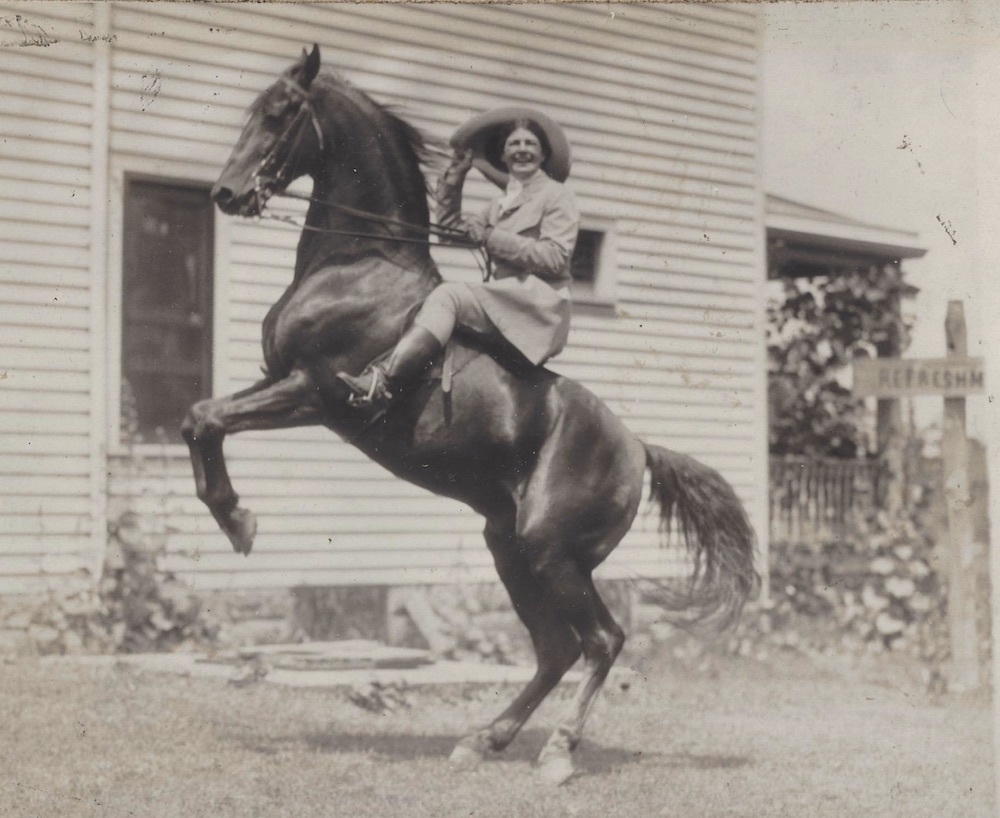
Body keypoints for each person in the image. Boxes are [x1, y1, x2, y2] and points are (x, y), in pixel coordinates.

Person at [336, 111, 580, 417]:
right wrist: (456, 177)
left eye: (530, 144)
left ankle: (383, 381)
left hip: (538, 305)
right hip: (508, 301)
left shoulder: (557, 195)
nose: (522, 150)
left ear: (543, 155)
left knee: (449, 296)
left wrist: (490, 236)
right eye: (514, 144)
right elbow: (450, 230)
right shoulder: (499, 205)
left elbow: (556, 258)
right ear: (503, 156)